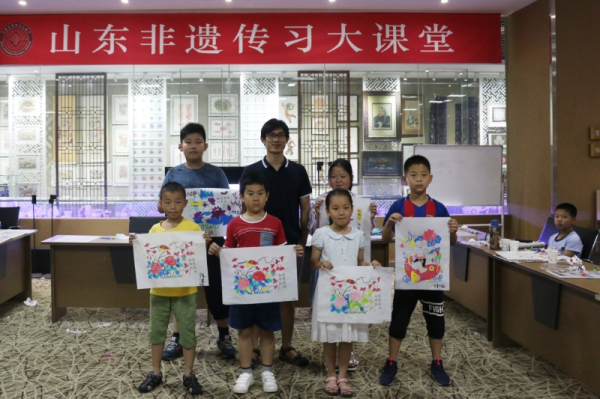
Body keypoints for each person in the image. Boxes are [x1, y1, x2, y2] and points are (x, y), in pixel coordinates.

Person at [208, 172, 304, 394]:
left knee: (267, 330)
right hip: (242, 292)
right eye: (250, 193)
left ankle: (268, 371)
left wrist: (294, 252)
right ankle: (246, 372)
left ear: (267, 196)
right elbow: (229, 254)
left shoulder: (274, 223)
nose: (255, 198)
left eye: (260, 193)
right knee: (244, 331)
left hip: (268, 292)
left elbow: (281, 253)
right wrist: (217, 251)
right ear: (241, 196)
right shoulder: (233, 225)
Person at [378, 155, 458, 387]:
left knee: (436, 321)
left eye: (423, 175)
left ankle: (437, 361)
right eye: (413, 175)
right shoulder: (398, 206)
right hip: (407, 277)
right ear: (405, 179)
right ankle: (391, 361)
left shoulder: (439, 207)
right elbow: (385, 238)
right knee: (399, 320)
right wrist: (390, 223)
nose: (419, 179)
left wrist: (453, 230)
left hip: (433, 278)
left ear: (430, 178)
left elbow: (450, 243)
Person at [160, 122, 236, 361]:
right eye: (188, 142)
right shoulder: (173, 174)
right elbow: (162, 204)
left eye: (197, 142)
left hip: (213, 242)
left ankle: (224, 336)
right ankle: (177, 339)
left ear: (205, 145)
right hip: (182, 243)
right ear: (180, 146)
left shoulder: (216, 173)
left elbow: (227, 205)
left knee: (217, 289)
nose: (193, 146)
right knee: (180, 289)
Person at [241, 118, 312, 368]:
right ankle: (260, 347)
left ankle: (287, 346)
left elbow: (306, 209)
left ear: (287, 140)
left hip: (290, 243)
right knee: (259, 294)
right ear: (263, 140)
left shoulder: (298, 171)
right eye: (271, 135)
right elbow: (244, 208)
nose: (276, 139)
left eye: (281, 135)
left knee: (287, 297)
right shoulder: (252, 171)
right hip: (258, 246)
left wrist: (301, 239)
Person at [135, 182, 206, 395]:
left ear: (185, 203)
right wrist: (137, 244)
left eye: (177, 202)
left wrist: (204, 243)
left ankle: (188, 373)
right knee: (156, 332)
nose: (173, 207)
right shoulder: (154, 230)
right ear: (160, 204)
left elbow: (198, 258)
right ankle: (156, 372)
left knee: (188, 333)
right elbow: (149, 257)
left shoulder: (193, 228)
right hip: (158, 292)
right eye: (167, 202)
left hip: (185, 292)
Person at [308, 158, 377, 372]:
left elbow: (366, 230)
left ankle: (349, 352)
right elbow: (314, 233)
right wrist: (315, 213)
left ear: (351, 179)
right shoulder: (321, 201)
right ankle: (330, 361)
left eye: (343, 176)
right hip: (328, 269)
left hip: (352, 268)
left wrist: (372, 216)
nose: (338, 180)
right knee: (328, 312)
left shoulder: (360, 203)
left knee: (352, 311)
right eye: (333, 176)